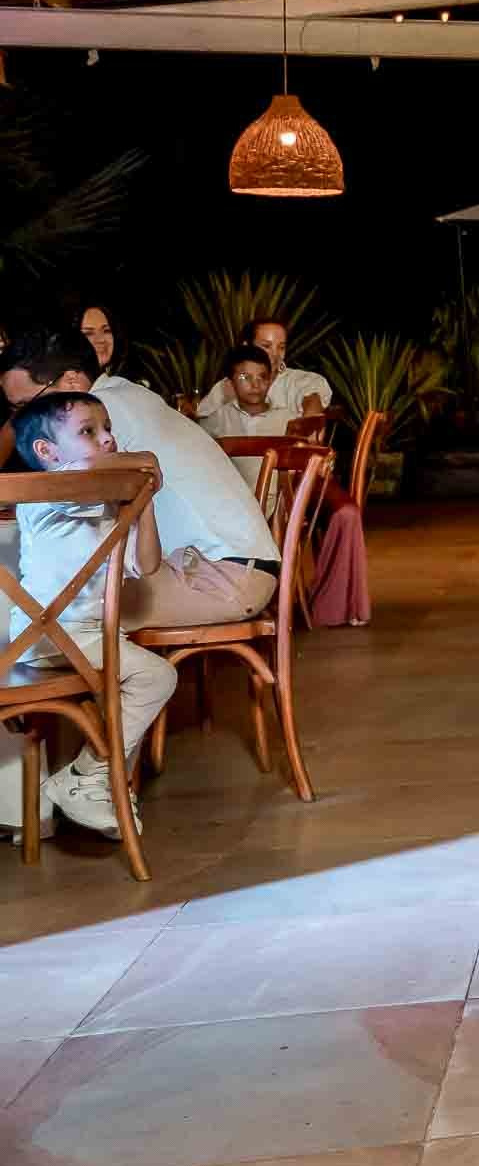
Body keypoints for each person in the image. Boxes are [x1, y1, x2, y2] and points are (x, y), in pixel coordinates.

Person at [2, 331, 280, 631]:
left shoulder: (95, 415)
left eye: (27, 405)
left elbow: (61, 487)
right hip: (219, 567)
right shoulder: (126, 395)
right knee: (48, 593)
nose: (21, 422)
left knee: (52, 603)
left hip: (221, 577)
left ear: (70, 382)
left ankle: (99, 678)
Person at [1, 391, 178, 841]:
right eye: (88, 431)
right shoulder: (47, 495)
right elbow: (86, 470)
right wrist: (147, 462)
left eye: (107, 428)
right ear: (47, 452)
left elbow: (149, 564)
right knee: (156, 678)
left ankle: (91, 781)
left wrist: (144, 502)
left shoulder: (106, 498)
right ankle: (88, 779)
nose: (107, 439)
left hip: (89, 636)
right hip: (49, 636)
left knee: (134, 684)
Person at [196, 342, 293, 491]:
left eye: (262, 377)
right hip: (232, 504)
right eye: (245, 377)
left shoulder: (288, 420)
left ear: (270, 381)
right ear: (230, 383)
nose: (255, 385)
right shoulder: (216, 421)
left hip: (278, 507)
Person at [196, 316, 329, 421]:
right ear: (246, 346)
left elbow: (312, 403)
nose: (275, 354)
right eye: (266, 346)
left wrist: (310, 419)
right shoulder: (227, 385)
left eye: (281, 347)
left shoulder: (302, 380)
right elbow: (202, 421)